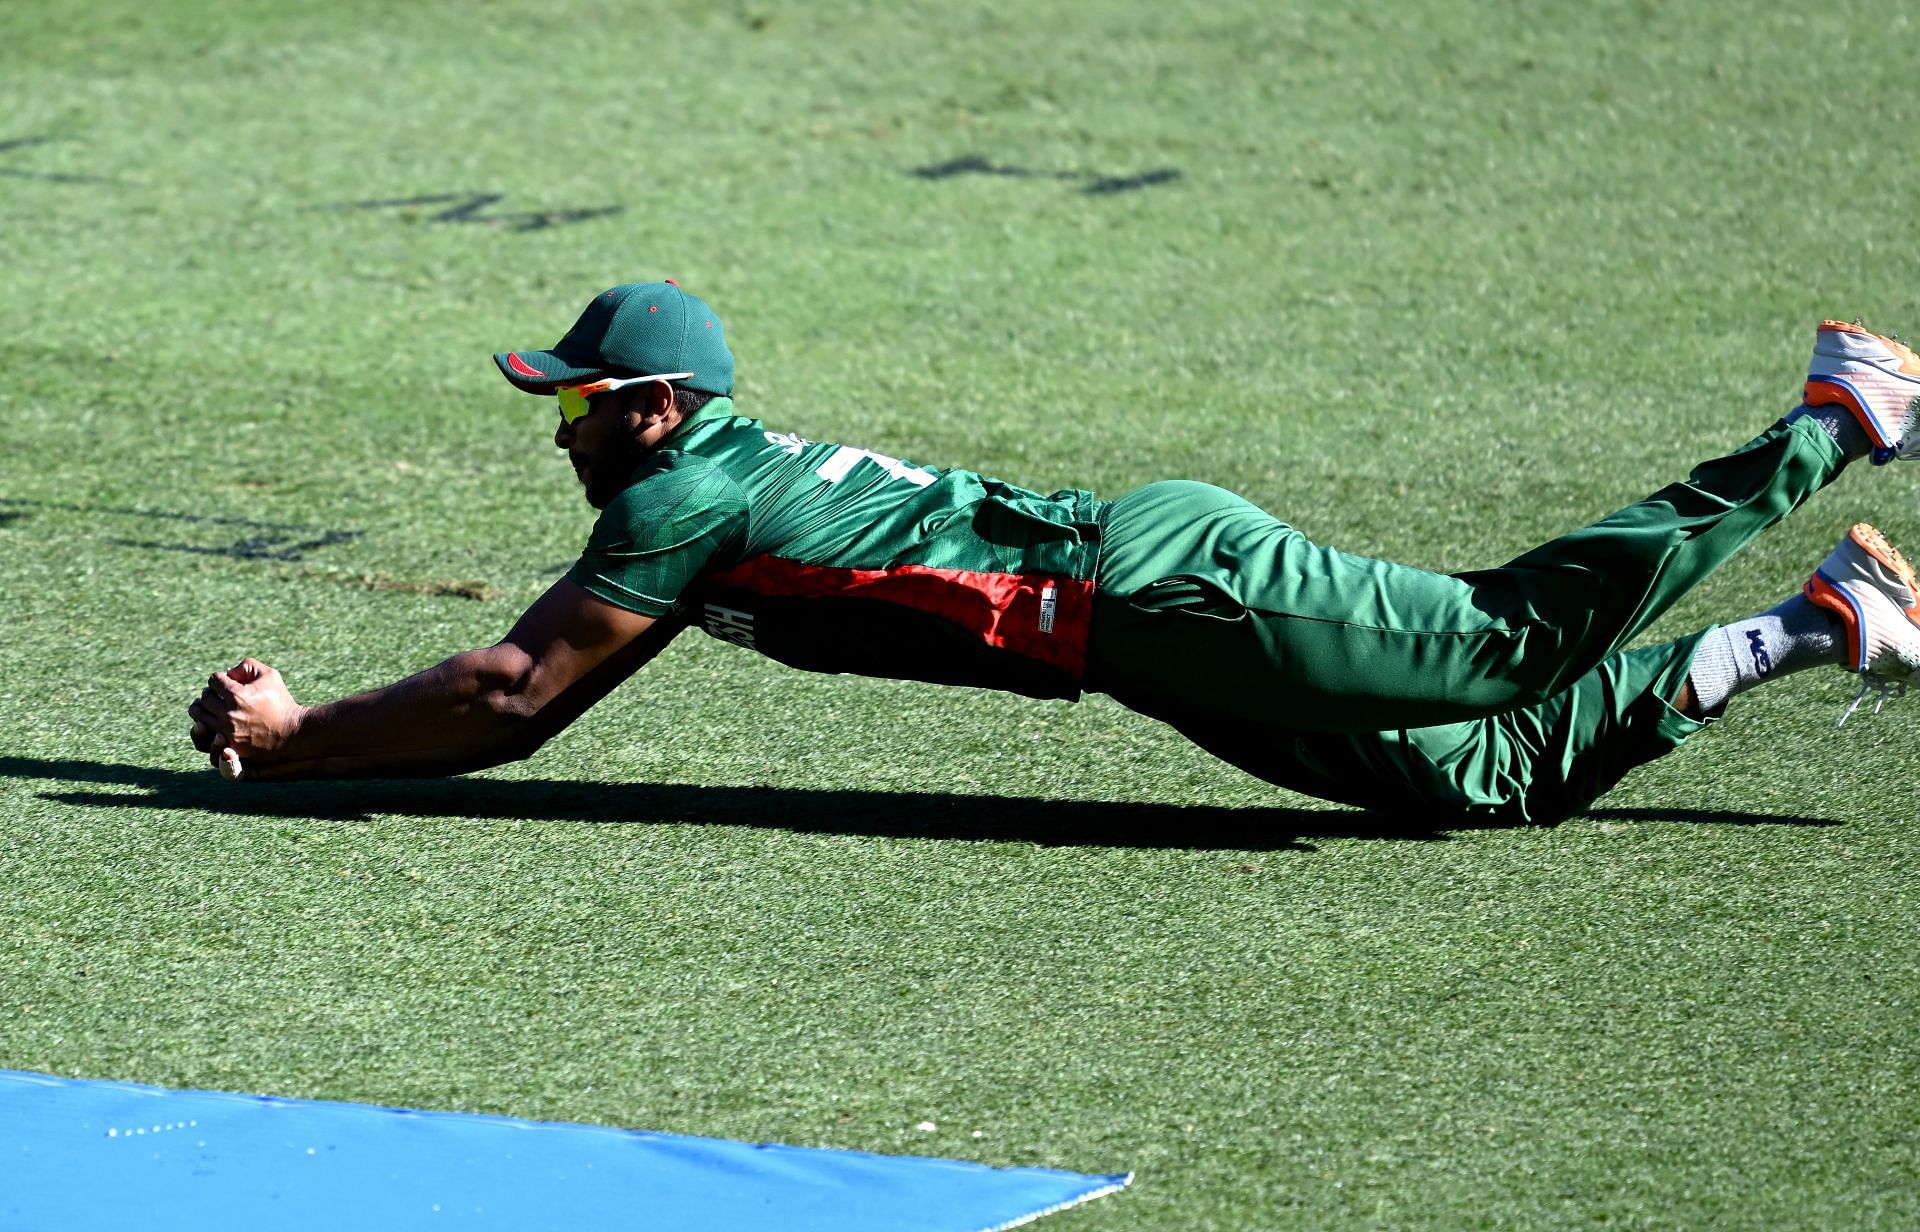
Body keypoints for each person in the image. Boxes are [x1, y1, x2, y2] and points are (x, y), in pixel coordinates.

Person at [188, 282, 1920, 824]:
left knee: (1499, 647)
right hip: (1139, 633)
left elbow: (510, 698)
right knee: (1476, 781)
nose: (560, 428)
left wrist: (294, 743)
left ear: (653, 405)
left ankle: (1834, 421)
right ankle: (1816, 622)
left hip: (1160, 588)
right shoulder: (693, 473)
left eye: (577, 403)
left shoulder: (676, 497)